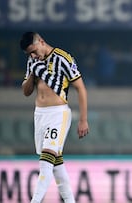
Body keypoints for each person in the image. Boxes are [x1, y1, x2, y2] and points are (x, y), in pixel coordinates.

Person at [20, 32, 89, 203]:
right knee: (56, 166)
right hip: (40, 114)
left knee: (45, 163)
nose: (33, 55)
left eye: (34, 51)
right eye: (29, 53)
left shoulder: (63, 58)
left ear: (41, 42)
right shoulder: (32, 61)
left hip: (58, 114)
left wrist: (83, 119)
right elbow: (26, 92)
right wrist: (33, 74)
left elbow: (80, 88)